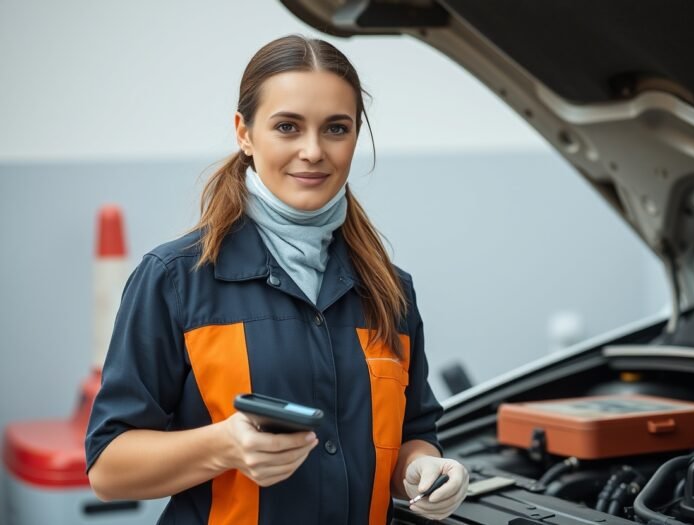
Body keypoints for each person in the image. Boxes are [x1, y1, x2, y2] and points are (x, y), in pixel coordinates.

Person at [85, 34, 469, 525]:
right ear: (244, 132)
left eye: (336, 128)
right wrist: (223, 446)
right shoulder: (175, 280)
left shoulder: (389, 291)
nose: (313, 151)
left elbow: (413, 429)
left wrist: (424, 468)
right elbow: (109, 468)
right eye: (287, 126)